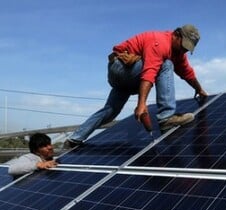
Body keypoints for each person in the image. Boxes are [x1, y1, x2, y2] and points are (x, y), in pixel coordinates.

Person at [65, 24, 208, 148]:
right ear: (176, 35)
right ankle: (166, 118)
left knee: (110, 112)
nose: (183, 51)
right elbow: (150, 71)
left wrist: (199, 89)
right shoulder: (160, 41)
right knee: (166, 64)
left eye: (187, 49)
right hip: (120, 68)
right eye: (183, 46)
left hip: (128, 80)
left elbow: (187, 73)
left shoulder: (178, 53)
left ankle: (74, 139)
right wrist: (142, 104)